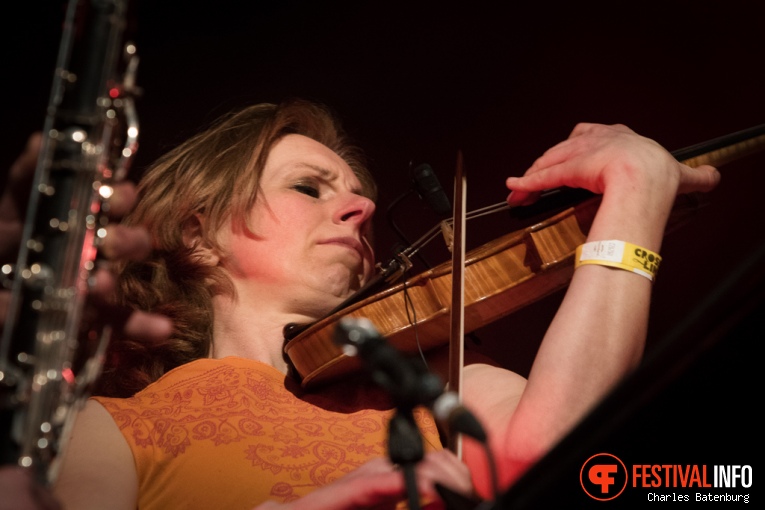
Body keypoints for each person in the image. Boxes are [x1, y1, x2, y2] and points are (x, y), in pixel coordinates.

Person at [4, 99, 719, 509]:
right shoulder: (114, 425)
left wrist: (633, 196)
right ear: (199, 236)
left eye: (355, 197)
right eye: (309, 188)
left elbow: (553, 451)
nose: (362, 206)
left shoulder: (438, 381)